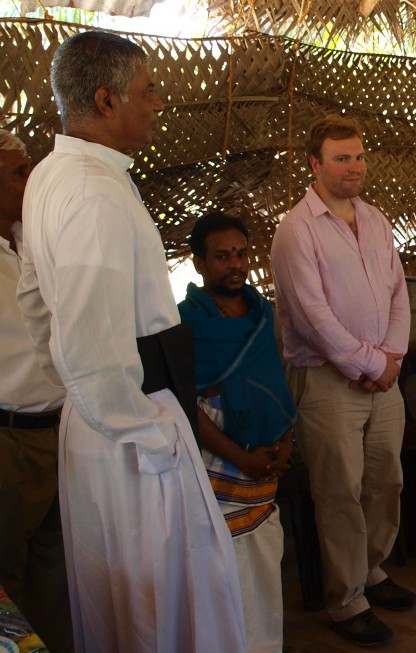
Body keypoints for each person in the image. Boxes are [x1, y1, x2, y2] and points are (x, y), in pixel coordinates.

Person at [16, 32, 245, 652]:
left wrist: (83, 393)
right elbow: (90, 338)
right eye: (148, 93)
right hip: (131, 432)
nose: (158, 105)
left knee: (124, 597)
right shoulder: (92, 191)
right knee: (154, 597)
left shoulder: (50, 177)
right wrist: (145, 428)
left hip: (100, 417)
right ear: (105, 100)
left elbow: (37, 306)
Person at [270, 115, 415, 648]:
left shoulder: (375, 220)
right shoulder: (296, 230)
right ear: (315, 164)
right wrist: (371, 364)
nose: (354, 167)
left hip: (384, 376)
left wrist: (392, 354)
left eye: (358, 156)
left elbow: (398, 292)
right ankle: (346, 598)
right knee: (339, 493)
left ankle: (373, 571)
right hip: (328, 383)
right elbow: (311, 317)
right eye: (341, 158)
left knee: (386, 482)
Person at [178, 211, 296, 653]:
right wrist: (239, 456)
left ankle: (265, 644)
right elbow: (186, 406)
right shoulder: (185, 323)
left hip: (266, 456)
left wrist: (284, 440)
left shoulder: (262, 313)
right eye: (222, 256)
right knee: (224, 567)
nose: (235, 264)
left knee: (264, 561)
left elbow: (274, 383)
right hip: (217, 462)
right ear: (199, 264)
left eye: (242, 254)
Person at [0, 129, 72, 653]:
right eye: (19, 172)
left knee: (57, 567)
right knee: (10, 576)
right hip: (10, 440)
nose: (32, 180)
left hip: (59, 431)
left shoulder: (32, 241)